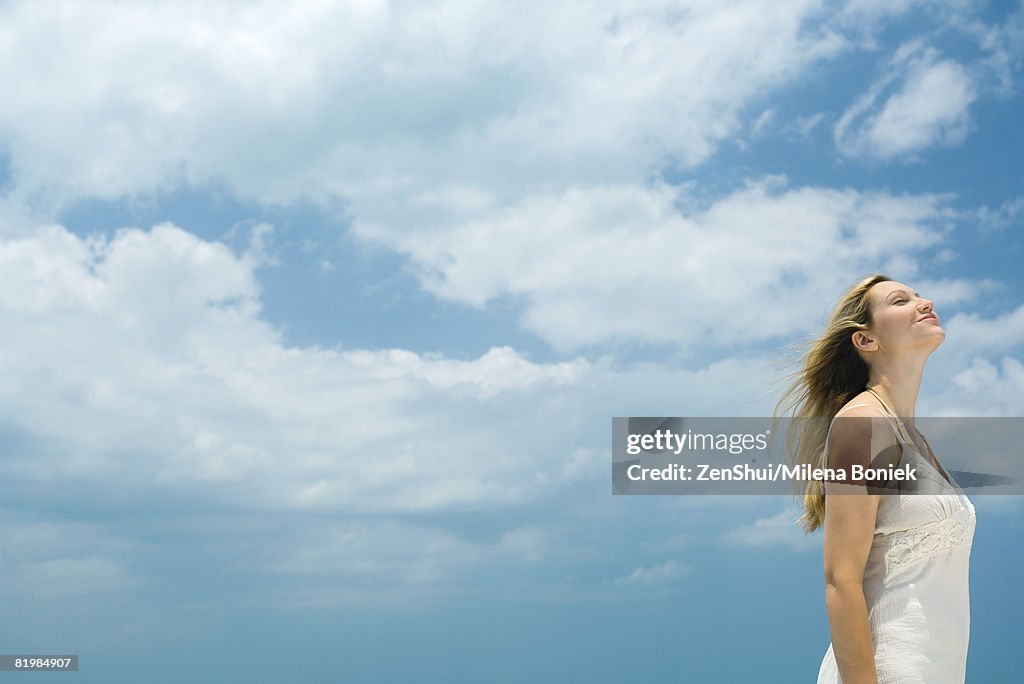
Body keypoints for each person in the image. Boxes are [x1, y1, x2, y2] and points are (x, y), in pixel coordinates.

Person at [776, 274, 975, 683]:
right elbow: (840, 579)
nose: (924, 302)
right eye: (901, 300)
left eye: (919, 295)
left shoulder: (914, 438)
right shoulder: (862, 423)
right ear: (866, 340)